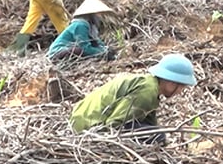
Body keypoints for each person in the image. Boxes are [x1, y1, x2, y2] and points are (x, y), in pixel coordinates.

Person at [69, 53, 197, 143]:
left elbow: (149, 121)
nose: (180, 92)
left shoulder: (150, 86)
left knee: (156, 133)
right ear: (171, 83)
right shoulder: (147, 91)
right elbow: (115, 124)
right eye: (182, 87)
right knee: (158, 136)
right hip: (88, 127)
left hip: (82, 121)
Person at [48, 0, 117, 63]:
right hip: (57, 53)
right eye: (97, 14)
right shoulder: (80, 25)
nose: (99, 17)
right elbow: (85, 47)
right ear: (91, 14)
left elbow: (95, 42)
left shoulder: (90, 26)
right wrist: (102, 52)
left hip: (67, 50)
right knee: (79, 50)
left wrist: (105, 48)